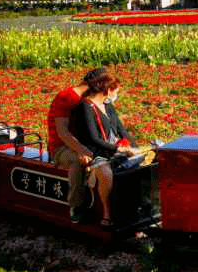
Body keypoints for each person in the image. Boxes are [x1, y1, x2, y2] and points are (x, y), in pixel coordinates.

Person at [70, 72, 137, 227]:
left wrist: (133, 147)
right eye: (115, 92)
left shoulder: (108, 105)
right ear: (107, 90)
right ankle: (106, 212)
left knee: (137, 166)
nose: (116, 95)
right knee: (105, 172)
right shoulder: (86, 107)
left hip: (114, 147)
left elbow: (121, 129)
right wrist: (119, 149)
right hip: (95, 151)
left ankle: (133, 208)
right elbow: (93, 139)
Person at [46, 67, 108, 223]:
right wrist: (81, 149)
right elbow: (62, 132)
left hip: (83, 144)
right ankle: (76, 207)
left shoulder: (90, 100)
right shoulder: (66, 97)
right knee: (78, 159)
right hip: (61, 147)